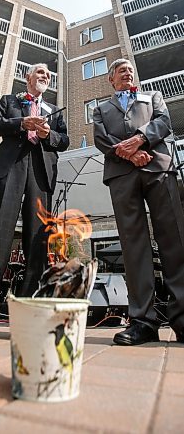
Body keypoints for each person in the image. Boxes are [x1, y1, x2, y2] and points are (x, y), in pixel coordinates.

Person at [0, 63, 69, 345]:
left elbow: (63, 141)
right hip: (10, 169)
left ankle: (30, 315)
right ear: (28, 77)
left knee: (37, 242)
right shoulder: (10, 101)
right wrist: (21, 124)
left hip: (40, 174)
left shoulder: (52, 109)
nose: (45, 77)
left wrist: (46, 134)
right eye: (40, 73)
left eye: (48, 75)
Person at [93, 58, 184, 346]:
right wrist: (129, 154)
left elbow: (164, 122)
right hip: (122, 175)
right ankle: (143, 320)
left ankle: (182, 317)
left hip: (158, 168)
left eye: (130, 69)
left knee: (174, 239)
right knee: (133, 245)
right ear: (111, 79)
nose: (127, 71)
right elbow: (101, 139)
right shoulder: (100, 109)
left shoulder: (153, 97)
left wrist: (141, 139)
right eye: (120, 69)